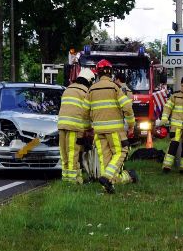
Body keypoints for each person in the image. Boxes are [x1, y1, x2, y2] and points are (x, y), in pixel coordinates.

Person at [88, 59, 137, 193]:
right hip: (114, 129)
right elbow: (127, 106)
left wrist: (90, 127)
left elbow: (86, 110)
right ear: (111, 73)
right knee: (121, 152)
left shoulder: (91, 89)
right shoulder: (115, 87)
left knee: (105, 158)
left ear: (98, 73)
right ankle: (108, 177)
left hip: (98, 130)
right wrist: (131, 124)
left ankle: (107, 187)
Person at [57, 68, 95, 184]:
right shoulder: (85, 92)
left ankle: (66, 178)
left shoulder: (68, 89)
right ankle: (74, 180)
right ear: (89, 80)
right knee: (73, 152)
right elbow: (87, 112)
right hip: (75, 126)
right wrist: (89, 128)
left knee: (64, 153)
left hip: (62, 125)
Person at [158, 76, 183, 173]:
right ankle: (166, 167)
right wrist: (164, 119)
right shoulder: (175, 96)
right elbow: (167, 107)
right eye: (182, 86)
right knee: (173, 146)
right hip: (176, 127)